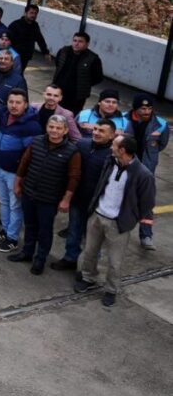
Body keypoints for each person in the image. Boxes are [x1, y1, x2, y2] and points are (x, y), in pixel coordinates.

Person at [74, 135, 155, 307]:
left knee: (114, 262)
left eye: (114, 145)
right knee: (89, 252)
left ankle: (111, 289)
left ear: (123, 150)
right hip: (97, 215)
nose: (111, 147)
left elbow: (147, 203)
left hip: (118, 224)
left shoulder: (143, 174)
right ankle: (89, 278)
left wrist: (130, 219)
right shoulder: (110, 162)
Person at [10, 115, 80, 274]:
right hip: (29, 193)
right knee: (29, 225)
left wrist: (66, 200)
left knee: (44, 231)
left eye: (58, 128)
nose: (54, 131)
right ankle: (27, 253)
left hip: (49, 199)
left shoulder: (72, 151)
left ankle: (40, 260)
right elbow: (24, 163)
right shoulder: (36, 142)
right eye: (51, 127)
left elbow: (74, 177)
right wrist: (17, 184)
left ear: (66, 130)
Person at [52, 119, 116, 271]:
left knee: (93, 240)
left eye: (101, 131)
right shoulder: (82, 145)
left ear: (112, 135)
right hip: (78, 199)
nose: (96, 133)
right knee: (74, 231)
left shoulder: (113, 155)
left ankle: (86, 269)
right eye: (95, 129)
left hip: (97, 205)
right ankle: (70, 258)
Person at [0, 89, 42, 253]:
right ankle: (4, 230)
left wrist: (20, 177)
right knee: (4, 202)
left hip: (14, 174)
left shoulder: (31, 126)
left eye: (18, 102)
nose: (14, 106)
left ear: (26, 105)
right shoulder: (3, 117)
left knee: (15, 206)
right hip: (0, 169)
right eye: (11, 102)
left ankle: (12, 238)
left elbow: (30, 155)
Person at [128, 93, 167, 250]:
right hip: (126, 166)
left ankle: (146, 235)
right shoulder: (124, 120)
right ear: (136, 108)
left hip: (146, 169)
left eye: (149, 108)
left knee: (146, 202)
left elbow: (162, 144)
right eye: (143, 108)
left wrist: (150, 160)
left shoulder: (161, 124)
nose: (146, 111)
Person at [52, 32, 103, 115]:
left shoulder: (93, 58)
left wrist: (85, 84)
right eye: (75, 40)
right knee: (54, 114)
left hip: (77, 96)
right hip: (58, 91)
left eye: (80, 41)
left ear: (87, 44)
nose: (76, 43)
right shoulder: (64, 51)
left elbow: (98, 77)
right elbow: (58, 64)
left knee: (71, 117)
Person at [7, 4, 50, 71]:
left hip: (25, 57)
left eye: (35, 13)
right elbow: (7, 39)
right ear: (26, 13)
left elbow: (40, 39)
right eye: (31, 13)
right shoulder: (16, 25)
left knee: (19, 74)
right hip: (13, 55)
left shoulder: (35, 26)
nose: (33, 15)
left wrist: (45, 52)